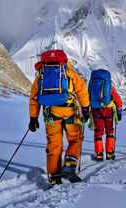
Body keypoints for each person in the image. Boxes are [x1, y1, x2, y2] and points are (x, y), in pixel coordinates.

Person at [28, 50, 90, 185]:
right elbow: (82, 90)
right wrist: (85, 109)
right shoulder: (69, 73)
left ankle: (54, 177)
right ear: (64, 61)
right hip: (69, 111)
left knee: (54, 144)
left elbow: (34, 98)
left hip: (51, 114)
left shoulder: (41, 77)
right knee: (75, 139)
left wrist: (33, 118)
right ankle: (69, 164)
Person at [88, 69, 123, 161]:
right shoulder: (109, 87)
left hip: (95, 109)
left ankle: (99, 154)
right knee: (110, 131)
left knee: (98, 132)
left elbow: (87, 97)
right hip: (108, 110)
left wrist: (85, 111)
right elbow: (118, 100)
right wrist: (119, 113)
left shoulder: (92, 85)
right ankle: (109, 153)